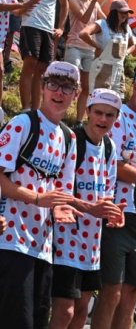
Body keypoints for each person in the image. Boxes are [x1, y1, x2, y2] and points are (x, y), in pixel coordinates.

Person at [0, 61, 82, 328]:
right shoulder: (22, 124)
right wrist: (36, 199)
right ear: (43, 87)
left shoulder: (69, 137)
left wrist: (63, 208)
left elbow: (62, 192)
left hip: (43, 248)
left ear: (77, 94)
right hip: (10, 241)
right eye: (53, 85)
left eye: (67, 87)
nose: (59, 93)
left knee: (37, 322)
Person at [89, 67, 136, 329]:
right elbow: (115, 165)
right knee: (112, 291)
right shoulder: (118, 118)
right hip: (117, 212)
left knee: (132, 293)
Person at [49, 89, 125, 329]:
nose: (103, 120)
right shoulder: (72, 140)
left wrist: (114, 212)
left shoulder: (110, 148)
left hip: (91, 244)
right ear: (88, 112)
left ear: (117, 118)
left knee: (82, 312)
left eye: (109, 115)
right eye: (99, 113)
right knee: (65, 312)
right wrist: (88, 207)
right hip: (64, 239)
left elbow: (107, 194)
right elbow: (55, 189)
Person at [5, 0, 67, 111]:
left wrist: (60, 27)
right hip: (31, 22)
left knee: (42, 69)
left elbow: (65, 5)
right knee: (30, 63)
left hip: (48, 27)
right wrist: (19, 5)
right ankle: (26, 108)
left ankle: (36, 110)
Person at [65, 0, 104, 127]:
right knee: (70, 82)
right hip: (74, 44)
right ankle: (59, 113)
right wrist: (94, 2)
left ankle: (79, 121)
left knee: (86, 88)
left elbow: (105, 22)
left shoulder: (95, 3)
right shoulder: (73, 0)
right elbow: (84, 19)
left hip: (89, 49)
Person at [78, 0, 135, 96]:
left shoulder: (126, 28)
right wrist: (97, 47)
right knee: (99, 98)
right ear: (114, 12)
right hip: (102, 68)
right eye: (122, 12)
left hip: (119, 69)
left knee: (116, 100)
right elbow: (83, 34)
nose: (125, 15)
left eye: (126, 12)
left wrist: (126, 52)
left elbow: (132, 44)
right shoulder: (103, 24)